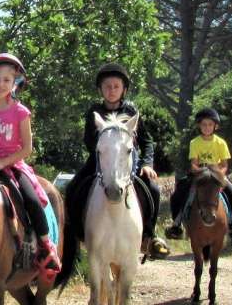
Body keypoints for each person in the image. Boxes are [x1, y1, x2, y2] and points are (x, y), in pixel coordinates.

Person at [64, 63, 170, 259]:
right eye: (107, 86)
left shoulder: (131, 110)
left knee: (153, 190)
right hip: (100, 161)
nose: (111, 91)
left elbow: (146, 140)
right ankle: (76, 233)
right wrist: (107, 148)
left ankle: (149, 236)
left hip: (129, 162)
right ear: (100, 89)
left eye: (116, 86)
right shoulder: (93, 112)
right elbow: (89, 141)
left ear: (124, 89)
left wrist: (147, 164)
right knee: (73, 188)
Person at [0, 53, 61, 280]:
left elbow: (27, 149)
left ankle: (46, 247)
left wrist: (3, 162)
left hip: (12, 165)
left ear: (15, 83)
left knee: (32, 199)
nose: (0, 84)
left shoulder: (20, 112)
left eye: (6, 80)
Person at [165, 108, 232, 243]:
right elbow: (194, 164)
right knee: (178, 195)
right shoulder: (195, 142)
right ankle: (176, 224)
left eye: (210, 124)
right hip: (200, 175)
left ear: (215, 126)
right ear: (199, 125)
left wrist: (219, 177)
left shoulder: (221, 143)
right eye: (204, 124)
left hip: (217, 176)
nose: (207, 127)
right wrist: (201, 173)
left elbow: (224, 165)